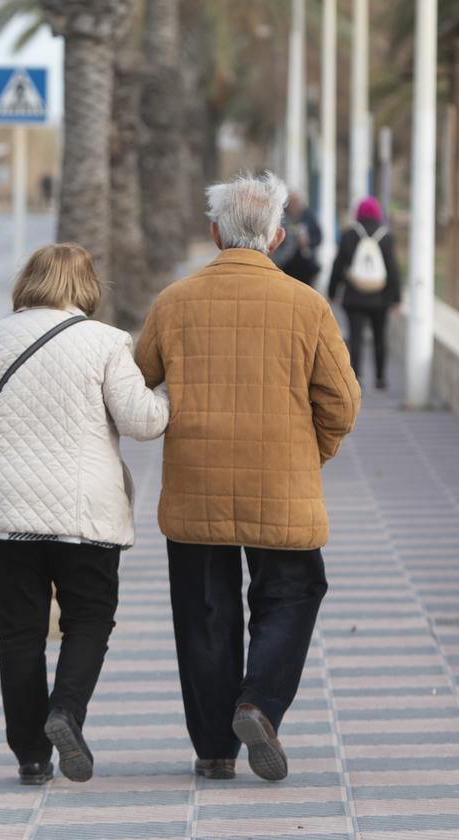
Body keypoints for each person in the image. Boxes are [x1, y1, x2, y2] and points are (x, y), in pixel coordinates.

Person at [135, 172, 361, 782]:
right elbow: (342, 402)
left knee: (204, 610)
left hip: (194, 482)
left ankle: (213, 750)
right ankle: (258, 701)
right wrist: (313, 453)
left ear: (214, 233)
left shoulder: (173, 302)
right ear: (279, 236)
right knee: (292, 592)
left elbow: (136, 382)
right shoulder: (307, 306)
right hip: (283, 480)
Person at [0, 243, 170, 786]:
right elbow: (141, 421)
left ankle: (29, 756)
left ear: (29, 281)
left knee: (19, 632)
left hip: (3, 509)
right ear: (88, 287)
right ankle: (64, 712)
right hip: (82, 513)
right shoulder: (106, 342)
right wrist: (170, 397)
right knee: (88, 619)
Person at [328, 197, 402, 389]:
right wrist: (396, 298)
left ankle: (356, 377)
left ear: (358, 214)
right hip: (381, 297)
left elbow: (338, 265)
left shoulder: (349, 235)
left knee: (356, 338)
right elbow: (393, 269)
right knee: (380, 338)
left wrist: (332, 291)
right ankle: (380, 378)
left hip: (354, 297)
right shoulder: (386, 237)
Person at [270, 191, 322, 286]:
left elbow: (318, 236)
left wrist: (308, 242)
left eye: (297, 202)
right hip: (287, 263)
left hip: (306, 263)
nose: (295, 205)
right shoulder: (281, 217)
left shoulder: (308, 216)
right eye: (292, 202)